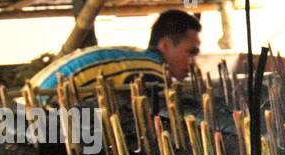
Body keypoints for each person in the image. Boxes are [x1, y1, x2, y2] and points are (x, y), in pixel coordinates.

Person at [28, 9, 201, 97]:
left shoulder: (133, 59)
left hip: (23, 108)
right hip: (38, 118)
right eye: (191, 53)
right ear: (165, 45)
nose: (194, 62)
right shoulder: (150, 72)